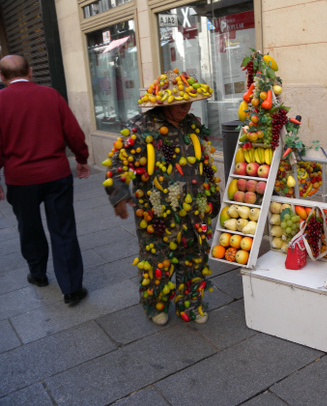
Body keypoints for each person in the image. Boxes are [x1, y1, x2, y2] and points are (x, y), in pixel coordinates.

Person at [104, 69, 221, 325]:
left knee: (194, 259)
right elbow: (117, 164)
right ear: (164, 102)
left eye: (188, 101)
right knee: (157, 260)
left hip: (195, 210)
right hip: (157, 212)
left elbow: (206, 165)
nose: (185, 106)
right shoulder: (140, 127)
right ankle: (155, 304)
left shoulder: (193, 125)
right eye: (178, 102)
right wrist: (119, 194)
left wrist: (213, 195)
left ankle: (190, 304)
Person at [0, 54, 90, 306]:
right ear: (30, 72)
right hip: (56, 175)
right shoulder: (51, 95)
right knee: (63, 229)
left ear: (2, 77)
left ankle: (38, 274)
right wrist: (81, 157)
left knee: (28, 227)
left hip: (20, 178)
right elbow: (73, 132)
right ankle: (72, 288)